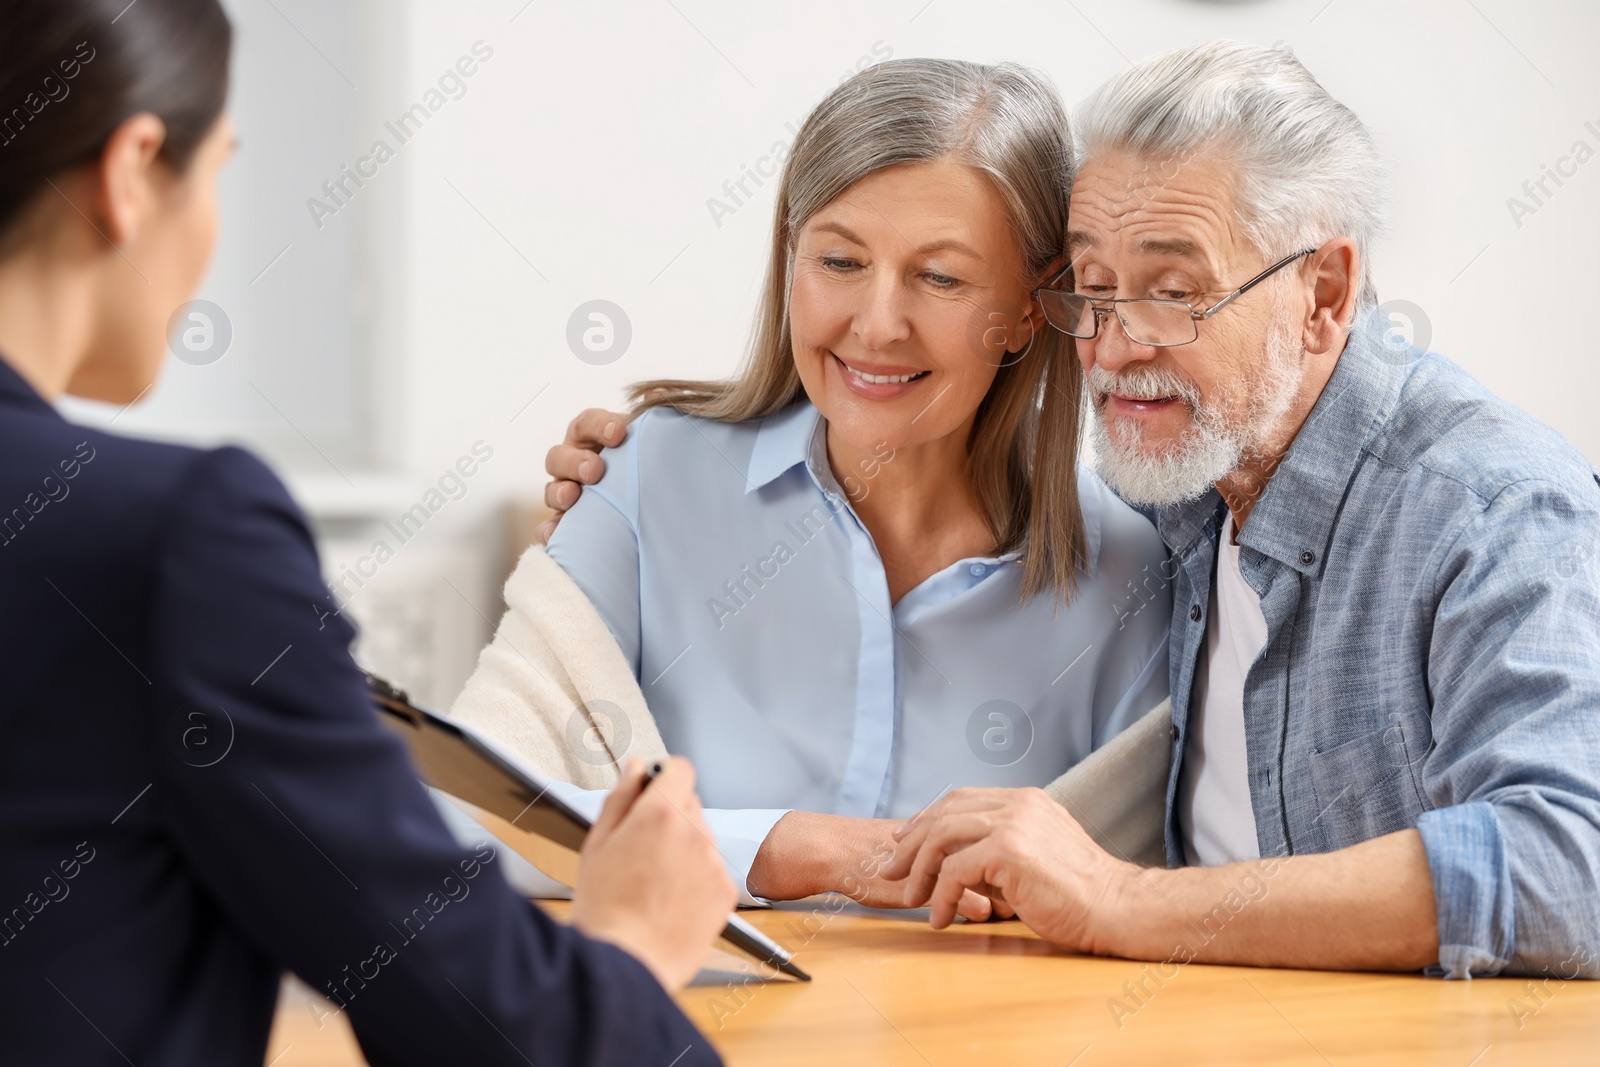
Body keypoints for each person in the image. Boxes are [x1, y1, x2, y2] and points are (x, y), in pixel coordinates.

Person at [545, 41, 1600, 979]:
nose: (1114, 345)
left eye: (1174, 290)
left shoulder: (1490, 504)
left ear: (1322, 294)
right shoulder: (1188, 493)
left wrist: (1120, 898)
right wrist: (654, 458)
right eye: (1090, 290)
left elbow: (1574, 864)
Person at [0, 3, 734, 1064]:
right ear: (132, 168)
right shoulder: (172, 539)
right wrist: (630, 937)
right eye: (220, 172)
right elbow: (489, 1026)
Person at [472, 59, 1170, 913]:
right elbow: (468, 810)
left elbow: (1147, 892)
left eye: (940, 277)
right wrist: (782, 847)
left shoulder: (1128, 570)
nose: (876, 325)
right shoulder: (645, 479)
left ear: (1032, 306)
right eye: (839, 260)